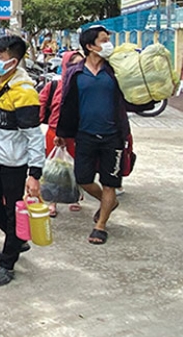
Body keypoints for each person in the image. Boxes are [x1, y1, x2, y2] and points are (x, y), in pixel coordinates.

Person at [55, 26, 153, 245]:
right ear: (90, 46)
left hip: (114, 137)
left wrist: (151, 96)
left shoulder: (115, 70)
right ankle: (108, 202)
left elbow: (134, 94)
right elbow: (67, 104)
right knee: (84, 179)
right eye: (103, 40)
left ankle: (100, 225)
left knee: (110, 182)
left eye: (109, 39)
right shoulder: (75, 73)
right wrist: (62, 132)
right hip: (85, 135)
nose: (108, 44)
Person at [0, 35, 45, 287]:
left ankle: (8, 262)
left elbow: (35, 138)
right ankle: (16, 240)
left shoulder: (25, 93)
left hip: (14, 165)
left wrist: (34, 174)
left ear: (13, 61)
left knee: (13, 212)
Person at [39, 51, 85, 217]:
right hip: (54, 132)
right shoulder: (54, 86)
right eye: (73, 64)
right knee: (54, 168)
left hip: (77, 133)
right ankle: (52, 201)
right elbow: (41, 103)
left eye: (80, 64)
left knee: (74, 166)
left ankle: (74, 197)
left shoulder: (84, 85)